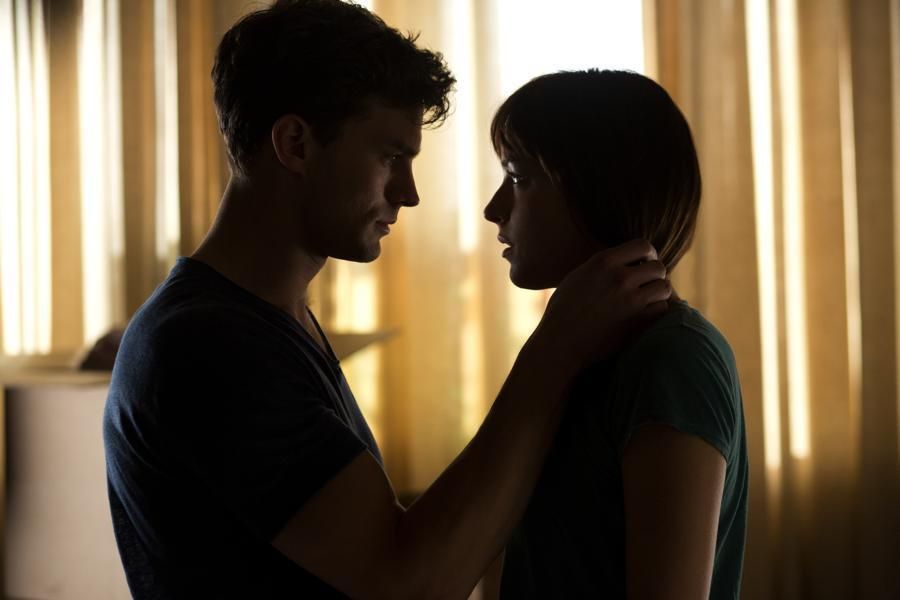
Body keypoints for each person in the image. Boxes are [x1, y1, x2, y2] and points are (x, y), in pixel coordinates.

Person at [103, 3, 672, 598]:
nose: (409, 192)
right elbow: (409, 586)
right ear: (296, 144)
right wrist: (553, 351)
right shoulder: (212, 346)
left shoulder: (266, 322)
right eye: (391, 156)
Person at [484, 69, 748, 600]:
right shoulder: (578, 350)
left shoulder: (673, 359)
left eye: (518, 177)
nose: (494, 209)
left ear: (598, 190)